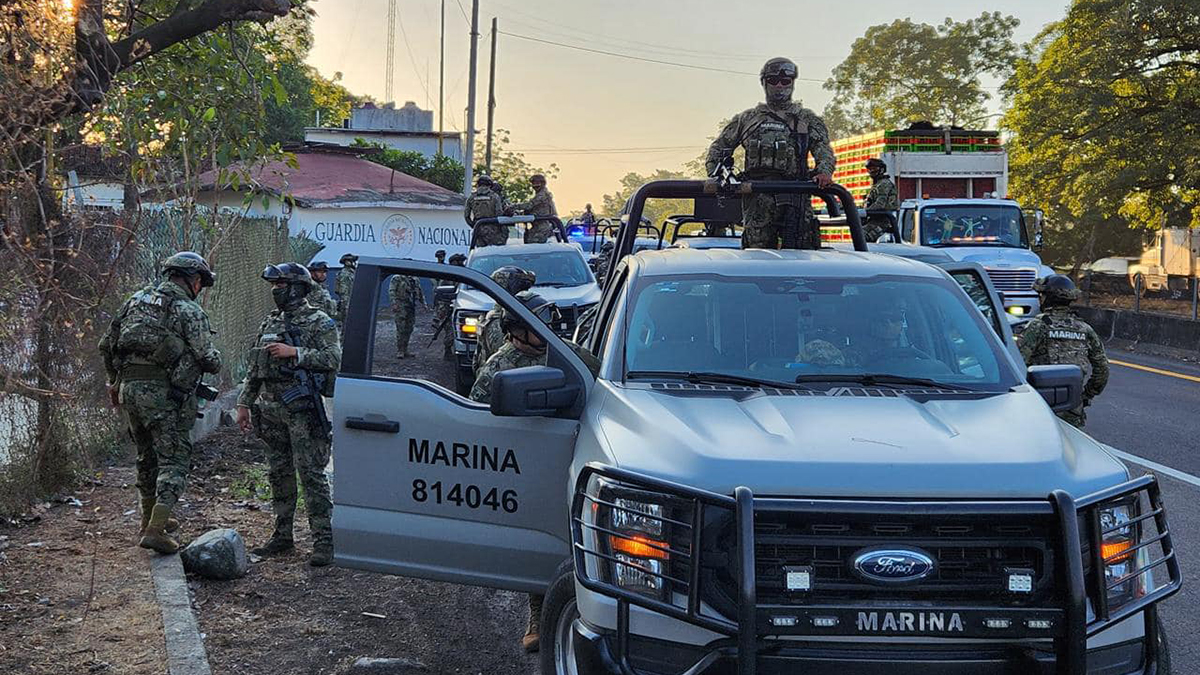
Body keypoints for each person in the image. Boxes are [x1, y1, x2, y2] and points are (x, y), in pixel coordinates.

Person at [98, 251, 221, 554]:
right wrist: (214, 360)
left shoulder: (136, 300)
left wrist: (114, 382)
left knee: (146, 457)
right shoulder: (187, 310)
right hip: (165, 395)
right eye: (199, 282)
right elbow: (207, 358)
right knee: (174, 458)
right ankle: (155, 529)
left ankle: (148, 520)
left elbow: (107, 344)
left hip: (129, 390)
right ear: (192, 279)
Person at [470, 291, 559, 653]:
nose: (548, 329)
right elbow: (475, 416)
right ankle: (538, 617)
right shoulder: (499, 366)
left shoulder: (562, 353)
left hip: (563, 453)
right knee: (537, 538)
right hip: (522, 462)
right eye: (539, 323)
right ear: (518, 330)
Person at [236, 263, 341, 566]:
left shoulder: (319, 321)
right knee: (278, 473)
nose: (275, 291)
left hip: (302, 411)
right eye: (274, 285)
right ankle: (282, 536)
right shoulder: (269, 321)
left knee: (311, 476)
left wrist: (295, 353)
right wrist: (244, 403)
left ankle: (323, 541)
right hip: (270, 413)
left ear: (296, 288)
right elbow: (256, 368)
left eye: (281, 285)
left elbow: (334, 358)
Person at [705, 57, 836, 250]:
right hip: (757, 198)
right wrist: (719, 177)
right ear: (764, 83)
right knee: (756, 257)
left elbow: (823, 149)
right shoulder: (748, 119)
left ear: (793, 83)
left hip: (796, 195)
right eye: (774, 80)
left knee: (801, 258)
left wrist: (824, 172)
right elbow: (718, 149)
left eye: (785, 81)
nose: (779, 85)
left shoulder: (806, 119)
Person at [1017, 275, 1109, 428]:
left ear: (1047, 298)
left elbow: (1018, 365)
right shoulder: (1085, 329)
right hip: (1072, 408)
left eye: (1041, 295)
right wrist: (1084, 396)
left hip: (1042, 406)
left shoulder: (1038, 326)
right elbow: (1103, 370)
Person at [473, 266, 537, 375]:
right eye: (522, 288)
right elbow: (509, 358)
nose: (525, 292)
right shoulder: (499, 321)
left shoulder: (503, 316)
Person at [431, 253, 468, 359]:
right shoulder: (448, 277)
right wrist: (439, 314)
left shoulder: (462, 275)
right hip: (447, 307)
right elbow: (442, 296)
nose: (462, 265)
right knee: (450, 330)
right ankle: (448, 352)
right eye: (459, 262)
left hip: (460, 305)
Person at [507, 174, 558, 243]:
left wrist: (513, 206)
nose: (534, 186)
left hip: (543, 225)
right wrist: (519, 213)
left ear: (543, 183)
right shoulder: (539, 194)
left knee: (533, 245)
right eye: (533, 184)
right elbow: (533, 209)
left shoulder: (543, 195)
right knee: (528, 241)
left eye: (537, 183)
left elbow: (530, 205)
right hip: (537, 225)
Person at [388, 272, 426, 358]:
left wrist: (424, 304)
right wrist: (394, 303)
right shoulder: (397, 278)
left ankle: (405, 349)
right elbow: (392, 291)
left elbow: (420, 292)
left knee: (409, 328)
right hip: (400, 305)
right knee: (401, 327)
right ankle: (400, 350)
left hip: (411, 306)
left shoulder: (415, 279)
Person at [466, 175, 508, 247]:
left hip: (478, 229)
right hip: (493, 230)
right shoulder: (495, 196)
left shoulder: (471, 197)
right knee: (494, 253)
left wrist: (474, 225)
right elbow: (499, 213)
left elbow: (466, 216)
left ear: (478, 184)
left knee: (480, 253)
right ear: (490, 185)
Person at [863, 158, 899, 242]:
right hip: (873, 219)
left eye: (874, 168)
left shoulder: (884, 184)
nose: (871, 171)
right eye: (869, 169)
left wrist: (864, 212)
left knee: (862, 235)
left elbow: (880, 205)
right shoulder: (877, 185)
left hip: (882, 221)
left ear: (882, 169)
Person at [334, 253, 358, 332]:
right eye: (352, 261)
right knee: (347, 323)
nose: (354, 263)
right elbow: (344, 292)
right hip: (347, 301)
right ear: (347, 262)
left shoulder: (351, 272)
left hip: (349, 300)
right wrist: (347, 304)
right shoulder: (345, 273)